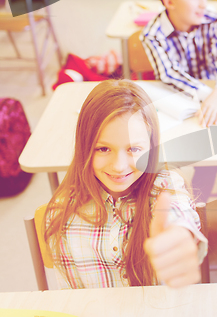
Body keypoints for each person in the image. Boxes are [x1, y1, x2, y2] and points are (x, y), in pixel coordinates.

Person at [43, 79, 207, 289]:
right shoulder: (63, 213)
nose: (119, 166)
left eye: (133, 149)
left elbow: (178, 212)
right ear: (84, 147)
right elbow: (71, 297)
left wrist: (179, 235)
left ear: (152, 146)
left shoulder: (166, 185)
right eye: (103, 149)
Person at [141, 0, 217, 128]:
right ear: (169, 2)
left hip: (215, 96)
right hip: (178, 102)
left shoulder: (213, 21)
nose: (203, 4)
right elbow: (170, 74)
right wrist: (214, 98)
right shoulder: (153, 34)